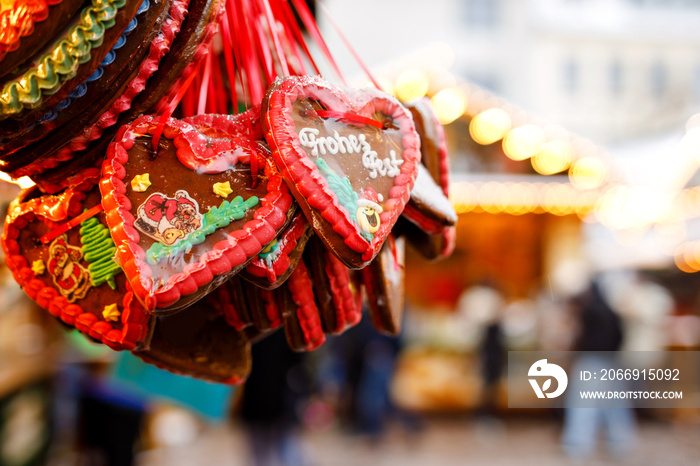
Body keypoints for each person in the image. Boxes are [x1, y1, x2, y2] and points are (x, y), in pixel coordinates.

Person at [561, 280, 636, 458]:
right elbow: (620, 337)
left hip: (591, 362)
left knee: (583, 403)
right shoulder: (611, 312)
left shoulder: (589, 313)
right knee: (614, 404)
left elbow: (581, 339)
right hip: (610, 362)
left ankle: (577, 444)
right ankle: (621, 443)